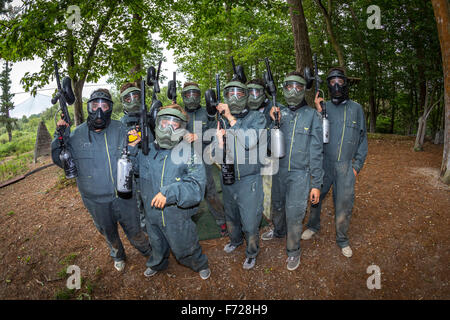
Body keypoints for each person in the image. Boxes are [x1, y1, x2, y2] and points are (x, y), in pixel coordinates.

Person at [51, 89, 151, 272]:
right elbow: (60, 160)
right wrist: (60, 135)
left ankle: (147, 251)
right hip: (96, 201)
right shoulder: (76, 135)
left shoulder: (121, 129)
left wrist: (136, 146)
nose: (99, 110)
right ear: (88, 107)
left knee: (135, 229)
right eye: (95, 105)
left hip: (125, 196)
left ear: (110, 109)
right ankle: (118, 255)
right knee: (108, 232)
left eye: (104, 106)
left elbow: (134, 159)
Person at [128, 105, 211, 280]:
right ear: (157, 124)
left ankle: (199, 264)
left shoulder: (189, 153)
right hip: (152, 214)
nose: (168, 128)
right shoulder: (146, 150)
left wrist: (170, 192)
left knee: (185, 247)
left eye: (175, 125)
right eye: (165, 123)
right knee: (157, 244)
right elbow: (133, 170)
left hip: (177, 215)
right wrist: (132, 149)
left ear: (182, 128)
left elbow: (197, 187)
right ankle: (157, 263)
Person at [260, 71, 323, 271]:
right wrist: (272, 123)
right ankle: (278, 231)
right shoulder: (280, 112)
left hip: (300, 174)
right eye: (289, 87)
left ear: (304, 89)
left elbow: (317, 151)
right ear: (284, 88)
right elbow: (269, 146)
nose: (293, 91)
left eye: (298, 87)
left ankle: (293, 250)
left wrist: (316, 184)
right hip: (278, 170)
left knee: (294, 213)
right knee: (277, 206)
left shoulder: (313, 115)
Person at [302, 67, 368, 258]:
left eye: (339, 81)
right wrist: (318, 110)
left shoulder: (356, 109)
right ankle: (313, 226)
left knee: (344, 203)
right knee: (316, 196)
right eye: (332, 82)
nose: (336, 85)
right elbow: (315, 135)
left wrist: (356, 167)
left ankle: (342, 239)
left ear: (345, 83)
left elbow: (363, 139)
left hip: (346, 166)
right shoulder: (325, 107)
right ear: (328, 86)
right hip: (324, 163)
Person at [208, 80, 266, 270]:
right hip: (228, 176)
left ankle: (251, 252)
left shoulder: (257, 118)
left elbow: (249, 141)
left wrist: (231, 118)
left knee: (250, 222)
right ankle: (235, 241)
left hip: (249, 179)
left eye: (239, 94)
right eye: (230, 94)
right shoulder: (220, 120)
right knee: (231, 216)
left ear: (246, 96)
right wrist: (219, 143)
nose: (234, 97)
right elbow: (215, 153)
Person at [181, 82, 228, 236]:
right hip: (182, 161)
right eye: (188, 95)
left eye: (194, 94)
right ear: (183, 96)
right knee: (185, 194)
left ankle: (221, 221)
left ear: (199, 96)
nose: (191, 98)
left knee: (211, 193)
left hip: (202, 159)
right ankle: (186, 224)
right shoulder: (179, 112)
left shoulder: (207, 113)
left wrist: (197, 136)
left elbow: (216, 132)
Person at [119, 82, 151, 231]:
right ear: (123, 101)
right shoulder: (120, 125)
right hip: (133, 172)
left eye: (137, 97)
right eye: (128, 98)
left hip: (150, 168)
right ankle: (146, 233)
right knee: (138, 204)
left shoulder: (149, 118)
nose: (133, 101)